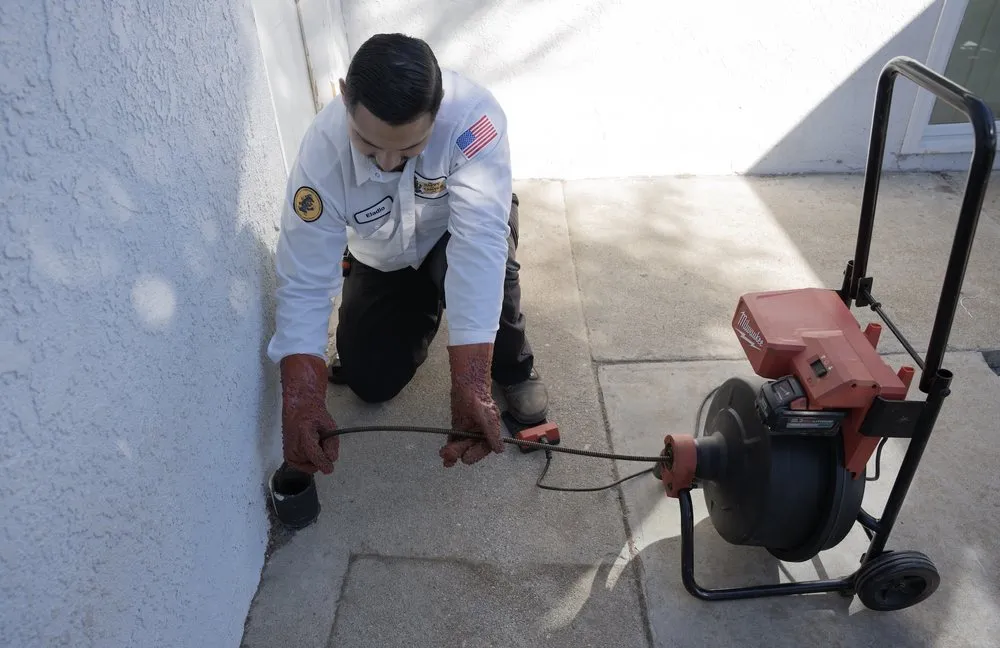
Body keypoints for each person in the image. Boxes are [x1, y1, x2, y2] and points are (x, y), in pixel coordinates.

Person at [266, 33, 549, 475]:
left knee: (496, 265)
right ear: (344, 96)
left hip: (453, 235)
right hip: (383, 257)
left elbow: (478, 246)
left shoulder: (473, 120)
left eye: (409, 149)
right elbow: (304, 278)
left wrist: (470, 378)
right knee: (369, 382)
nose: (386, 163)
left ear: (439, 111)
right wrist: (302, 397)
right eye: (367, 142)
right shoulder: (320, 155)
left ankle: (514, 368)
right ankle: (432, 300)